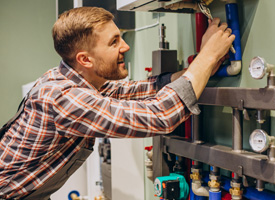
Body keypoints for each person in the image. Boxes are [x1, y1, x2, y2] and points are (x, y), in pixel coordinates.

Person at [0, 6, 234, 200]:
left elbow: (135, 90)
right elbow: (160, 116)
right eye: (114, 42)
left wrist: (198, 69)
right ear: (85, 59)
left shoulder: (76, 80)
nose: (126, 46)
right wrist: (208, 56)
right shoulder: (63, 98)